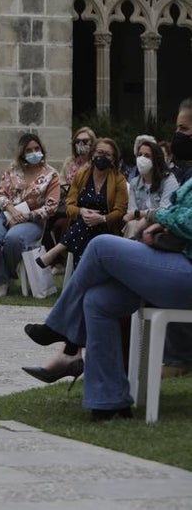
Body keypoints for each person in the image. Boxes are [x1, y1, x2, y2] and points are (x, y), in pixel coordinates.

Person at [21, 99, 192, 420]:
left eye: (184, 129)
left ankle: (59, 326)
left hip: (186, 270)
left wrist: (156, 217)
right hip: (174, 264)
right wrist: (162, 218)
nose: (178, 135)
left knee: (101, 246)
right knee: (99, 300)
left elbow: (186, 220)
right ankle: (108, 402)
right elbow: (178, 213)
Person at [0, 133, 61, 297]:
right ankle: (3, 279)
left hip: (33, 221)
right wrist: (12, 210)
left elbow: (52, 206)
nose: (34, 152)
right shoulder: (12, 170)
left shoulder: (51, 175)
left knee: (13, 239)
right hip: (8, 215)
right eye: (29, 150)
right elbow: (1, 194)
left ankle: (4, 279)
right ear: (22, 153)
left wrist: (27, 216)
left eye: (36, 149)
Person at [35, 137, 128, 270]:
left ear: (113, 159)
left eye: (107, 155)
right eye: (100, 153)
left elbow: (120, 211)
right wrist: (81, 211)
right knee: (85, 223)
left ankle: (55, 252)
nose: (102, 157)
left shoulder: (119, 180)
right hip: (80, 224)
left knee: (86, 225)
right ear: (93, 154)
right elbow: (70, 205)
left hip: (106, 227)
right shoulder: (82, 175)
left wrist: (102, 218)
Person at [123, 138, 178, 240]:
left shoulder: (168, 180)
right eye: (139, 155)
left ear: (156, 159)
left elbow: (165, 211)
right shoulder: (135, 183)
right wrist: (137, 214)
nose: (142, 159)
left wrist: (139, 214)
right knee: (132, 225)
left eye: (147, 156)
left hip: (160, 227)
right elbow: (131, 212)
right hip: (137, 226)